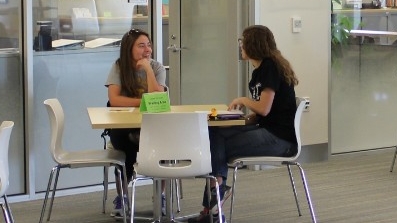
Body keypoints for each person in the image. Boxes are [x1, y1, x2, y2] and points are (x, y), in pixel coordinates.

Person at [188, 25, 299, 223]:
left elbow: (263, 108)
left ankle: (214, 201)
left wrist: (243, 100)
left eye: (243, 42)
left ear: (253, 45)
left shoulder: (270, 68)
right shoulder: (260, 71)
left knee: (215, 148)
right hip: (267, 128)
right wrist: (239, 120)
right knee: (215, 134)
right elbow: (262, 114)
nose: (241, 46)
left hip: (280, 139)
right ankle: (215, 198)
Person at [105, 28, 167, 219]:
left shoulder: (157, 68)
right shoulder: (119, 67)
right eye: (141, 45)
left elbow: (159, 97)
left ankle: (161, 197)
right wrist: (144, 102)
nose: (147, 49)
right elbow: (115, 100)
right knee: (124, 150)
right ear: (129, 48)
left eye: (149, 45)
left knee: (165, 147)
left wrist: (147, 69)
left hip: (152, 124)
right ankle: (122, 197)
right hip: (124, 125)